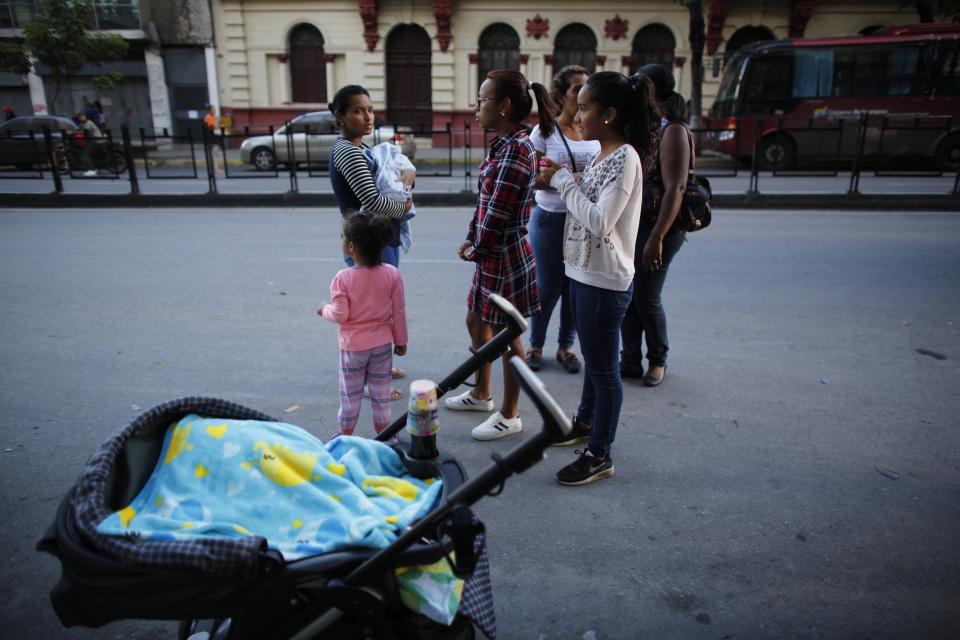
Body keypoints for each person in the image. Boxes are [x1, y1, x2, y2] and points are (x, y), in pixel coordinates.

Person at [539, 71, 659, 485]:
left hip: (604, 282)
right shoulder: (603, 156)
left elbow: (600, 221)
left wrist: (559, 180)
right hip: (582, 274)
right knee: (596, 363)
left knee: (605, 370)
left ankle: (599, 454)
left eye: (585, 106)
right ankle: (586, 423)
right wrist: (565, 182)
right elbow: (584, 202)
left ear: (608, 114)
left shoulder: (625, 159)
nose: (578, 112)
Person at [447, 69, 549, 441]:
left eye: (482, 100)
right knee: (476, 320)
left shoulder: (518, 149)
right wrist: (471, 238)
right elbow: (485, 203)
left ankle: (510, 414)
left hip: (505, 256)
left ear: (504, 106)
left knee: (508, 336)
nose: (475, 108)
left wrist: (479, 245)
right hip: (491, 254)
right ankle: (481, 392)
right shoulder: (504, 145)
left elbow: (500, 212)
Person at [329, 84, 415, 396]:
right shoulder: (348, 152)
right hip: (367, 242)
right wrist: (404, 207)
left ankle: (379, 365)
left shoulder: (362, 148)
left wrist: (408, 176)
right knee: (371, 313)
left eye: (369, 109)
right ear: (340, 116)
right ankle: (368, 379)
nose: (367, 117)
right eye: (357, 110)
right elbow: (373, 201)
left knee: (380, 308)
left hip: (377, 238)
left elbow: (395, 172)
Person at [619, 63, 690, 388]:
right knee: (629, 293)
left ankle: (657, 359)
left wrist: (657, 238)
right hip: (637, 225)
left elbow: (675, 186)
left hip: (659, 227)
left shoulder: (671, 130)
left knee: (647, 297)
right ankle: (630, 359)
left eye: (640, 82)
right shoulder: (645, 125)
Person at [525, 65, 599, 375]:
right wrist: (569, 178)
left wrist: (566, 175)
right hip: (551, 219)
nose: (583, 92)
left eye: (587, 86)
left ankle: (566, 347)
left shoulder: (593, 131)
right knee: (548, 287)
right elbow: (530, 177)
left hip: (582, 220)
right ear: (560, 95)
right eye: (576, 87)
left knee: (575, 288)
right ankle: (535, 343)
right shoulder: (544, 132)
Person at [316, 212, 408, 442]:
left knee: (351, 394)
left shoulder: (343, 278)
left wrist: (323, 309)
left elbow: (340, 314)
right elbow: (398, 311)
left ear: (351, 247)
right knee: (380, 393)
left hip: (353, 349)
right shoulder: (392, 274)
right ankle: (387, 436)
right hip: (381, 346)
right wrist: (401, 340)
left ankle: (344, 435)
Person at [74, 111, 104, 177]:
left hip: (96, 141)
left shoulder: (88, 123)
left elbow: (84, 131)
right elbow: (77, 129)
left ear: (85, 117)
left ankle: (92, 170)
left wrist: (75, 132)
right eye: (79, 117)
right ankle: (94, 168)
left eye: (82, 117)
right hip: (93, 140)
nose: (81, 118)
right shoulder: (82, 123)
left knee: (85, 154)